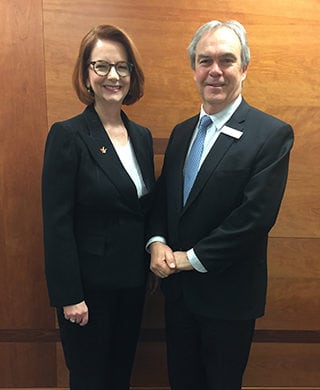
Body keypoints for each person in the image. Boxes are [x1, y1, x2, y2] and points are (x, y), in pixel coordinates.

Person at [148, 20, 294, 390]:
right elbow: (164, 199)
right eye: (205, 60)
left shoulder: (271, 135)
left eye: (226, 60)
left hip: (229, 300)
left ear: (244, 67)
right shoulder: (182, 133)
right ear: (193, 69)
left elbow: (254, 219)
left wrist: (187, 259)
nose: (215, 71)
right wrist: (158, 242)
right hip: (178, 297)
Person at [42, 24, 155, 390]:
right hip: (87, 294)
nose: (113, 76)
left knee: (120, 377)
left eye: (123, 67)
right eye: (101, 66)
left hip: (132, 286)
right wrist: (69, 296)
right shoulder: (68, 135)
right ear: (86, 74)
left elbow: (143, 208)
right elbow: (57, 222)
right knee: (91, 380)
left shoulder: (141, 136)